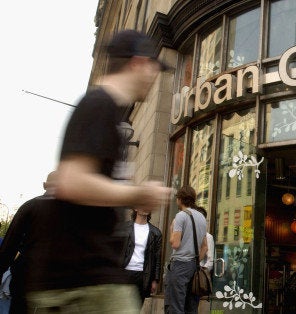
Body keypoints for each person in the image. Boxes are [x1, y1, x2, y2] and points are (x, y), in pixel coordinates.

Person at [24, 29, 172, 313]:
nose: (155, 76)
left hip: (91, 279)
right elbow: (72, 181)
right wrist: (138, 193)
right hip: (81, 283)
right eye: (154, 66)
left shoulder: (108, 110)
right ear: (139, 63)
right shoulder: (99, 104)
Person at [0, 172, 57, 314]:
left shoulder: (29, 206)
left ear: (45, 185)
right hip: (57, 283)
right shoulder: (73, 213)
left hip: (24, 278)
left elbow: (8, 248)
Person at [165, 186, 208, 314]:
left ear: (179, 199)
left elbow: (175, 243)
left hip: (179, 265)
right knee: (191, 307)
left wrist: (172, 229)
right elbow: (205, 247)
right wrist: (193, 261)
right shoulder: (201, 217)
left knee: (175, 307)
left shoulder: (180, 216)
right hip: (193, 267)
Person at [123, 208, 163, 306]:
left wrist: (155, 279)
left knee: (137, 306)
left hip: (143, 274)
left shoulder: (156, 232)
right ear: (136, 208)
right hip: (125, 272)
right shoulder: (125, 227)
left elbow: (157, 258)